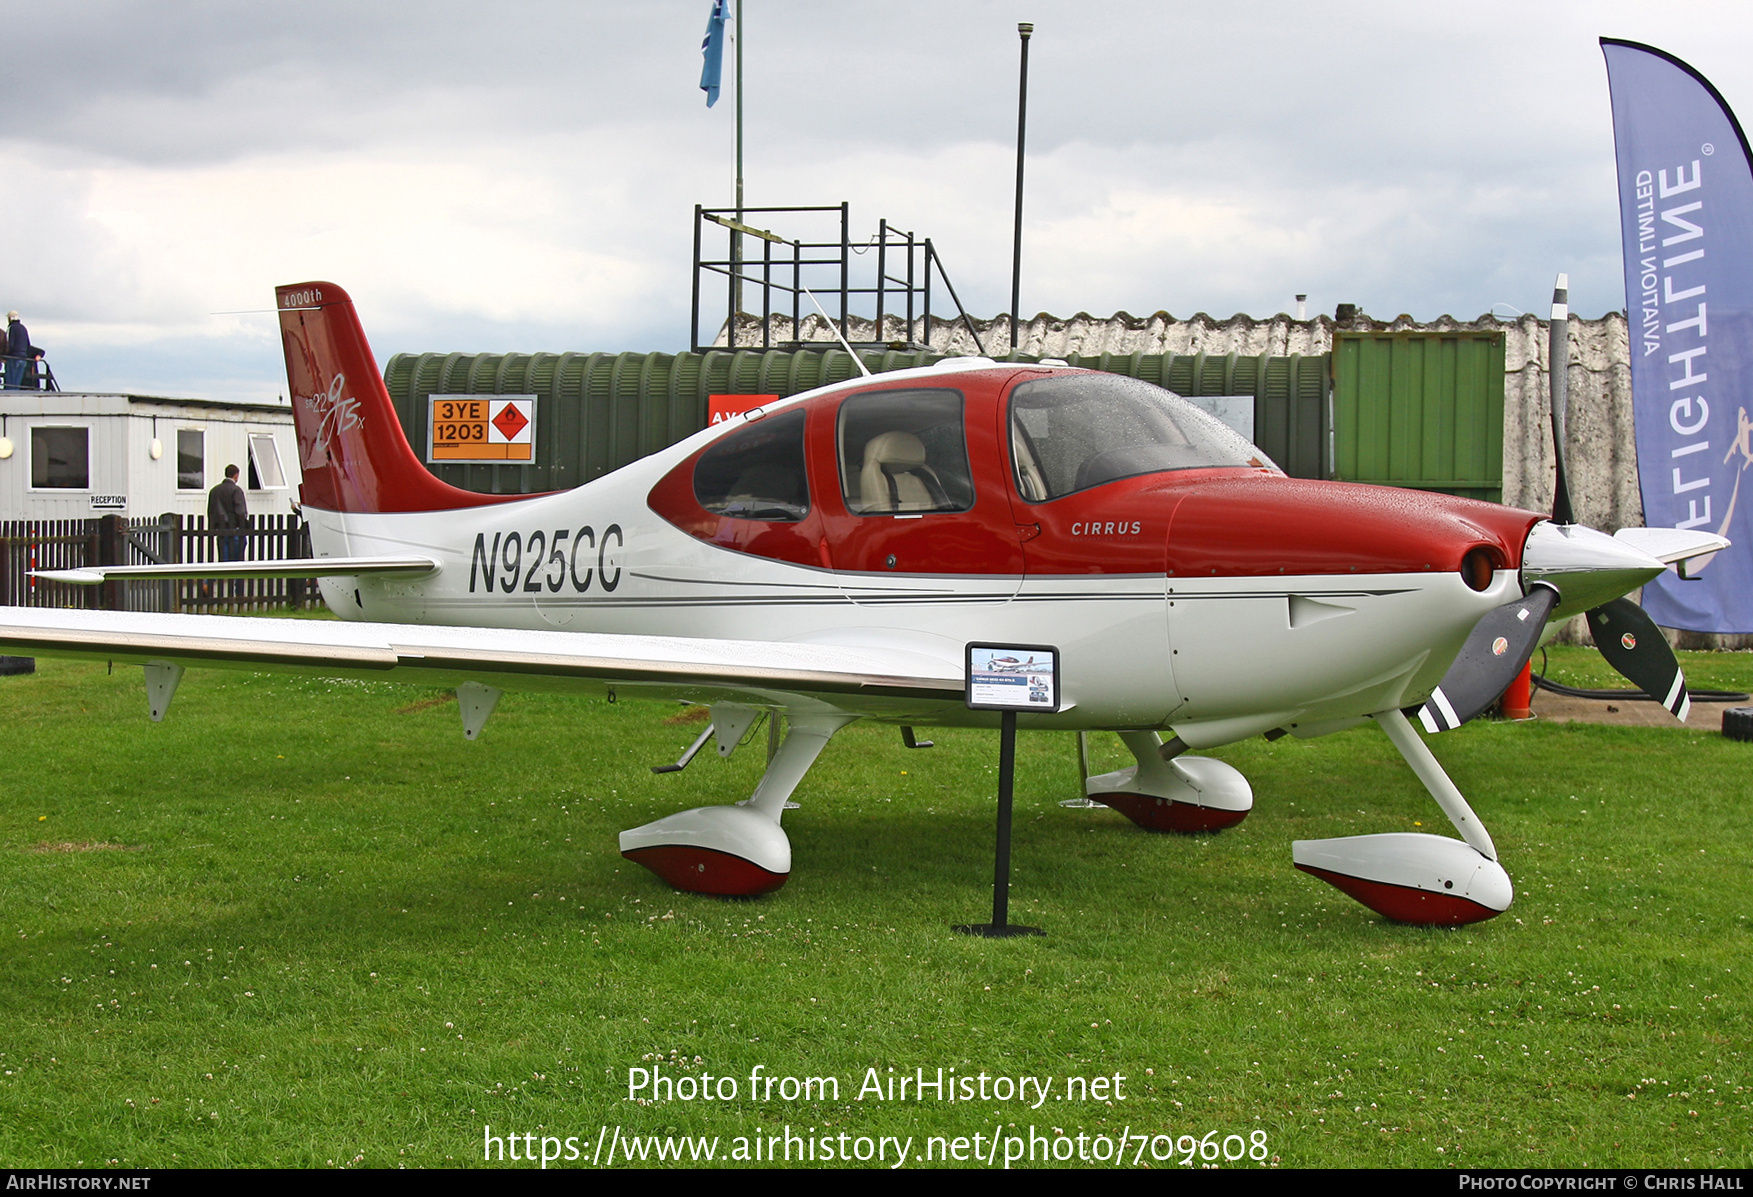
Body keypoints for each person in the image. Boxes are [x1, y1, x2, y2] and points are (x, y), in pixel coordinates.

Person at [208, 464, 249, 563]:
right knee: (237, 562)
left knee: (224, 560)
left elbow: (211, 511)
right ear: (236, 476)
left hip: (221, 530)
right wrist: (244, 523)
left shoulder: (214, 490)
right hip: (235, 530)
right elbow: (240, 511)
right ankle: (237, 579)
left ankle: (223, 578)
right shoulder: (236, 490)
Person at [5, 311, 40, 390]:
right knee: (17, 383)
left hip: (14, 358)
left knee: (11, 382)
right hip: (23, 358)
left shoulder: (12, 328)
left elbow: (11, 344)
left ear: (10, 318)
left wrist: (6, 355)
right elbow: (27, 344)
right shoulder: (23, 328)